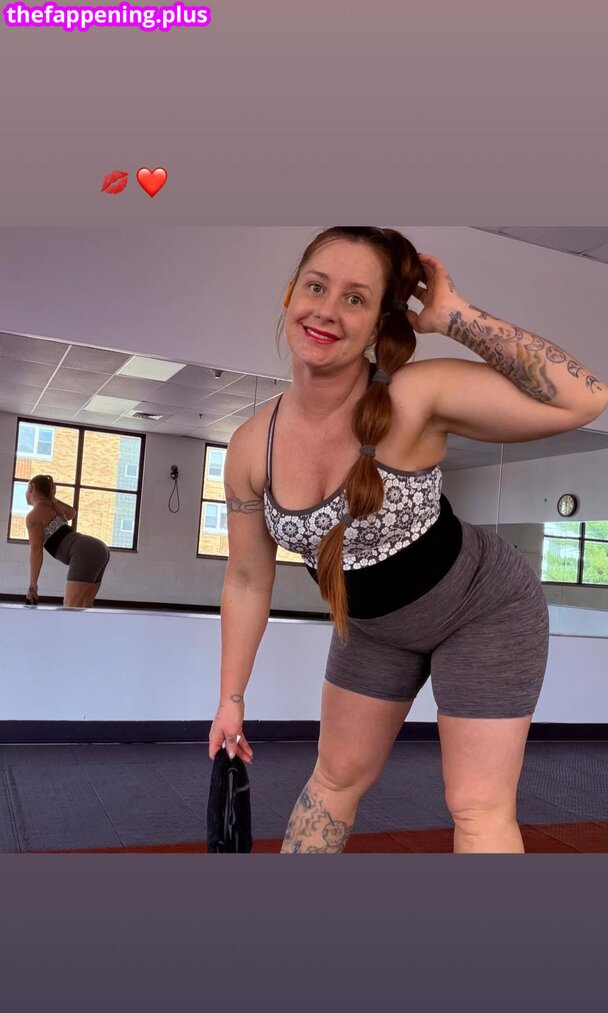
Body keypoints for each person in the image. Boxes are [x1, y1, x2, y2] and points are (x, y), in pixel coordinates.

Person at [208, 226, 606, 854]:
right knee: (333, 780)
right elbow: (247, 579)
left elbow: (585, 400)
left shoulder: (413, 396)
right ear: (290, 294)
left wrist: (454, 316)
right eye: (316, 287)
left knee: (476, 806)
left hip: (485, 610)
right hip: (371, 629)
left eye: (356, 299)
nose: (327, 311)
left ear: (379, 324)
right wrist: (231, 699)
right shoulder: (250, 446)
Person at [24, 474, 111, 608]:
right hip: (100, 549)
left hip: (85, 551)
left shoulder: (34, 515)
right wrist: (52, 498)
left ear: (31, 488)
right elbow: (72, 513)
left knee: (70, 608)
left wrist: (33, 584)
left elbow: (36, 550)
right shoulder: (54, 507)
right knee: (84, 607)